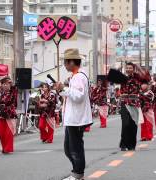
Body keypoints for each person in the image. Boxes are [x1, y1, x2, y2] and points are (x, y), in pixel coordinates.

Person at [57, 48, 92, 180]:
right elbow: (72, 95)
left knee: (74, 148)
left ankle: (78, 174)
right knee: (69, 148)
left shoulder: (78, 77)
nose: (65, 65)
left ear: (72, 62)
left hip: (76, 119)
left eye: (66, 62)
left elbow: (78, 97)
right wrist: (62, 89)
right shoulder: (76, 76)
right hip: (73, 118)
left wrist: (64, 88)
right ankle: (77, 173)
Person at [119, 62, 148, 151]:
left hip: (135, 104)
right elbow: (120, 90)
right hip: (125, 103)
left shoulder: (138, 78)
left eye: (130, 68)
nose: (128, 69)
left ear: (133, 69)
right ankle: (123, 144)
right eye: (127, 68)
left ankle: (132, 145)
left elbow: (143, 88)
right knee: (125, 124)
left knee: (133, 125)